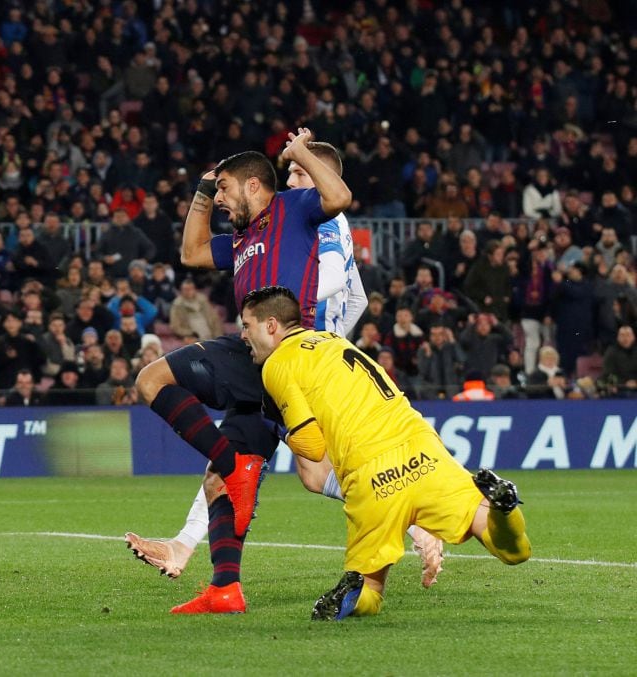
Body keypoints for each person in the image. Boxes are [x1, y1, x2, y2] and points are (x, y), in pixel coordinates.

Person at [125, 134, 352, 615]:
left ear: (254, 185)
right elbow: (191, 253)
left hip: (284, 351)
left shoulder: (295, 208)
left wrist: (298, 155)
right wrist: (203, 194)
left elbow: (340, 198)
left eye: (226, 190)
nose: (222, 202)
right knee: (234, 482)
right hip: (254, 354)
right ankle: (225, 589)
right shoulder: (243, 239)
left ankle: (233, 464)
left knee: (152, 381)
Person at [241, 285, 530, 620]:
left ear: (271, 325)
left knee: (370, 593)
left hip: (372, 474)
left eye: (246, 325)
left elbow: (312, 445)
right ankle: (504, 508)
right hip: (423, 449)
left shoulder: (277, 365)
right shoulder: (335, 340)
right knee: (513, 551)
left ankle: (345, 598)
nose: (243, 334)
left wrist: (286, 434)